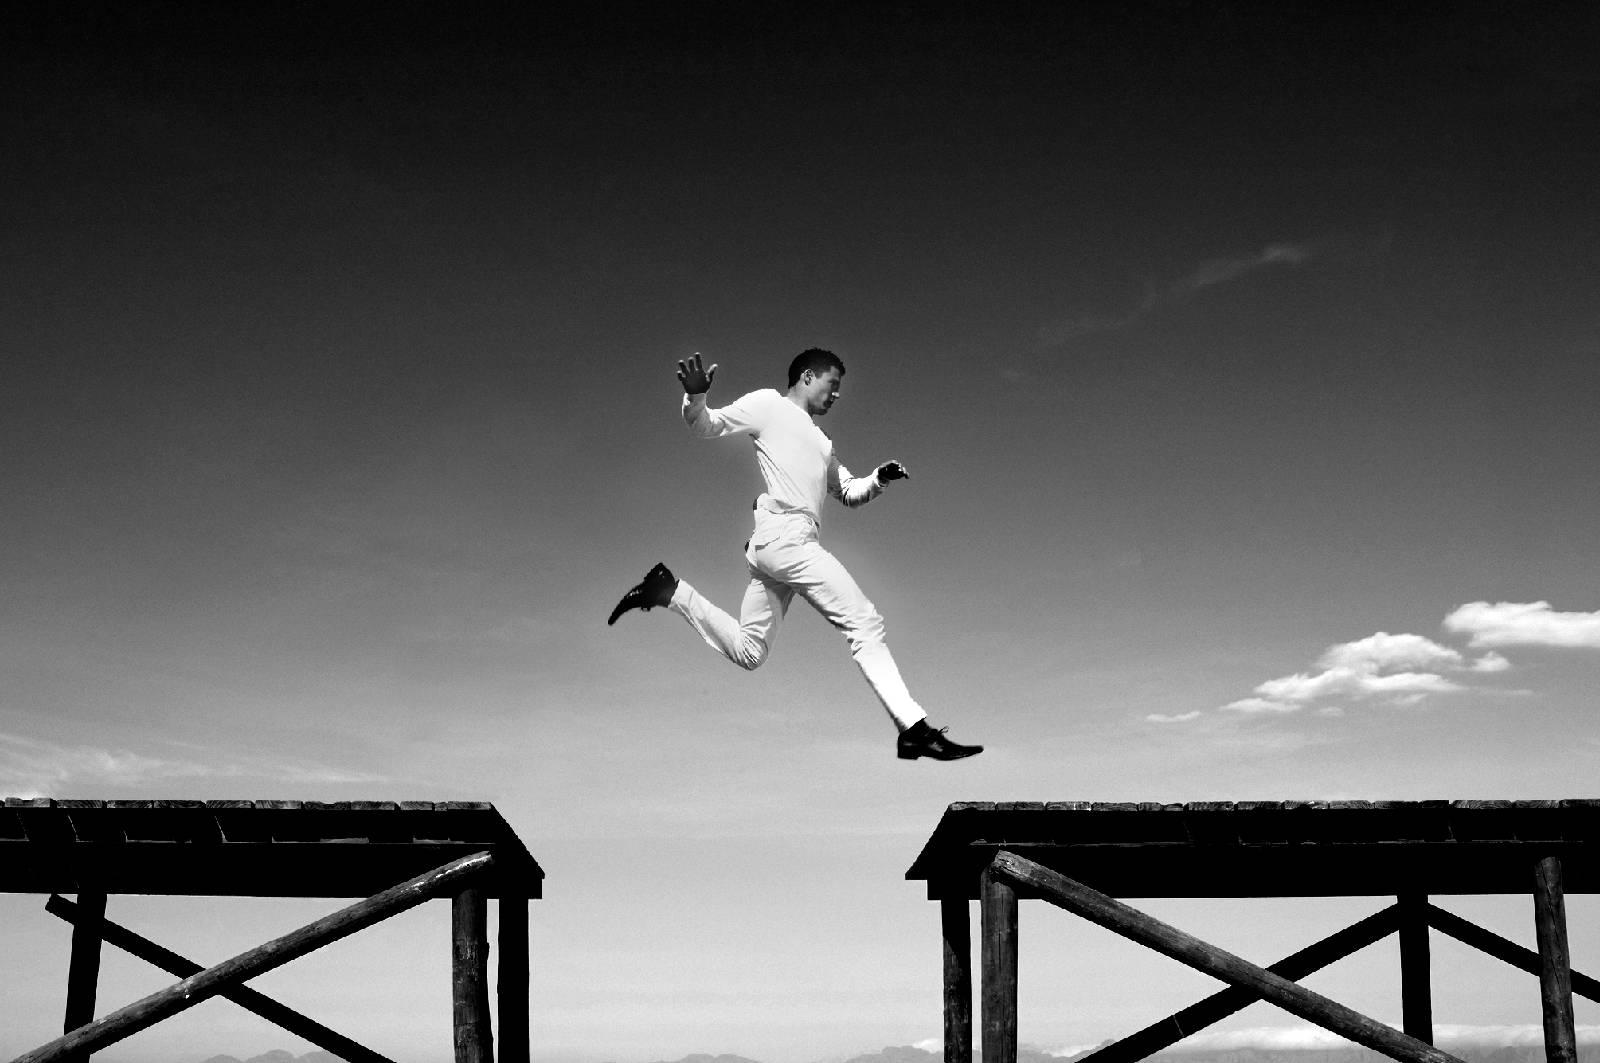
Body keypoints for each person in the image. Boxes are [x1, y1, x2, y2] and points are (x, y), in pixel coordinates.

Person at [607, 348, 982, 761]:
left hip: (779, 548)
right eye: (832, 384)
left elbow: (849, 492)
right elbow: (706, 425)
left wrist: (879, 478)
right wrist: (695, 397)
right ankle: (913, 729)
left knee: (751, 653)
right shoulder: (769, 405)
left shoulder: (823, 443)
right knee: (864, 622)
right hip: (787, 538)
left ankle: (669, 591)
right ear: (807, 376)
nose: (837, 395)